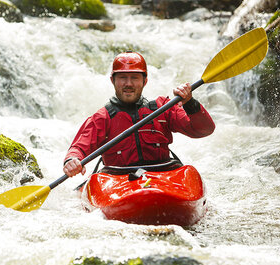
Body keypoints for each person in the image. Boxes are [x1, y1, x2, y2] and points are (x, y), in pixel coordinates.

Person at [63, 51, 215, 177]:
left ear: (145, 81)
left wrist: (189, 102)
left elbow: (204, 129)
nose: (128, 84)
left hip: (162, 175)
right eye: (123, 77)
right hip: (118, 179)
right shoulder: (102, 118)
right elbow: (78, 148)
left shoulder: (163, 108)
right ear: (112, 81)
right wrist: (72, 160)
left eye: (134, 78)